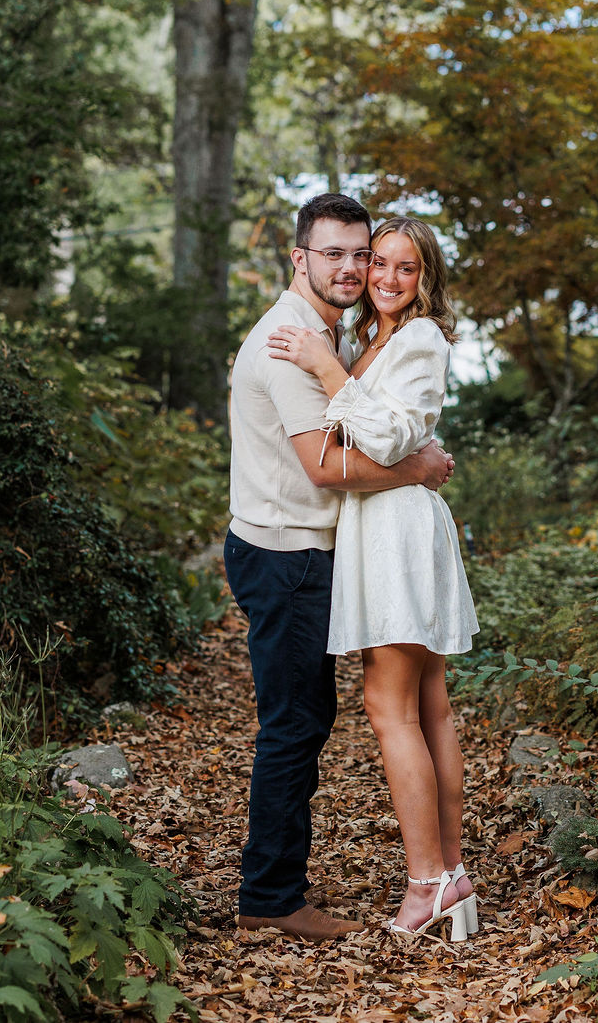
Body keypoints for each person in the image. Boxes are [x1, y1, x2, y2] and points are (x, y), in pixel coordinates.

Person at [225, 193, 456, 942]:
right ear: (300, 259)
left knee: (330, 718)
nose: (356, 268)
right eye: (338, 254)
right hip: (286, 553)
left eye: (365, 253)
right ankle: (272, 897)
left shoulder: (337, 335)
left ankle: (434, 876)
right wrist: (416, 468)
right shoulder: (292, 343)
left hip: (312, 549)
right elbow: (326, 468)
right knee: (294, 726)